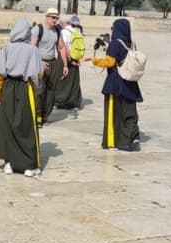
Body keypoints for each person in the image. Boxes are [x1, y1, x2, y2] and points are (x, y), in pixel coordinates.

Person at [0, 18, 43, 177]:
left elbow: (1, 72)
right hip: (24, 87)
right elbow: (36, 74)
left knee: (8, 125)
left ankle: (9, 163)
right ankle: (29, 166)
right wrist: (38, 90)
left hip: (8, 87)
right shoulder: (32, 49)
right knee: (27, 126)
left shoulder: (7, 48)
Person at [86, 19, 141, 151]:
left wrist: (94, 60)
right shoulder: (131, 43)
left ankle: (112, 141)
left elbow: (110, 62)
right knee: (128, 111)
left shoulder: (115, 44)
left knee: (113, 112)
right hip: (130, 81)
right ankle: (129, 138)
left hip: (116, 82)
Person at [30, 8, 69, 127]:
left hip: (52, 62)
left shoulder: (57, 31)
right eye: (53, 17)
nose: (55, 20)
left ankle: (45, 116)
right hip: (39, 63)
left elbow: (61, 48)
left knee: (51, 91)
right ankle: (37, 116)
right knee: (39, 90)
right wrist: (39, 61)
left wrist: (65, 64)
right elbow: (32, 48)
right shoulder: (38, 29)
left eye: (57, 18)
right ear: (46, 17)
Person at [53, 16, 82, 112]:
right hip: (75, 58)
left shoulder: (64, 32)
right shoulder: (76, 31)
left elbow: (64, 47)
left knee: (62, 81)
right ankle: (74, 102)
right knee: (73, 82)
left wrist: (68, 61)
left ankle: (61, 101)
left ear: (62, 23)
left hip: (65, 58)